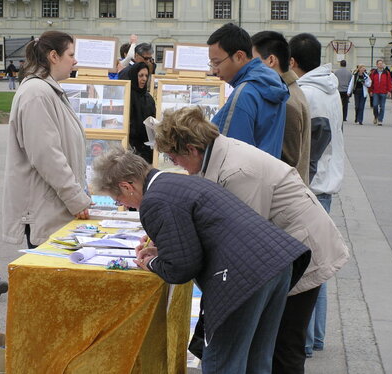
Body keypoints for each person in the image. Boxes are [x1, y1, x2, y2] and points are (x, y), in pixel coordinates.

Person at [155, 105, 349, 366]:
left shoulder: (238, 172)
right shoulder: (215, 153)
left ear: (191, 149)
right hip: (285, 248)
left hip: (301, 249)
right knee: (271, 345)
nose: (174, 164)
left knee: (285, 344)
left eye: (172, 157)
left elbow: (242, 240)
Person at [92, 147, 311, 374]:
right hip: (276, 261)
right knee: (258, 361)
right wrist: (163, 251)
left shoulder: (154, 201)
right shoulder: (175, 183)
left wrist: (150, 263)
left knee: (222, 363)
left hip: (243, 277)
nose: (125, 205)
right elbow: (196, 238)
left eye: (119, 198)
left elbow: (181, 268)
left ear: (127, 187)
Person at [3, 31, 92, 249]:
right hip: (44, 213)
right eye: (70, 54)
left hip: (54, 209)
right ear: (54, 56)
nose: (75, 60)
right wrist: (76, 198)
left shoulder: (47, 90)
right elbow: (47, 156)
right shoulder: (37, 93)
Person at [289, 32, 345, 372]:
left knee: (309, 268)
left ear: (292, 62)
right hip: (328, 183)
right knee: (319, 264)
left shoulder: (307, 93)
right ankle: (317, 336)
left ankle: (307, 340)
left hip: (314, 185)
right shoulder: (329, 88)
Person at [207, 23, 289, 158]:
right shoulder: (271, 81)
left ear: (239, 56)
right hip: (268, 173)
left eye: (216, 62)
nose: (214, 70)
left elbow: (228, 154)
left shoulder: (245, 93)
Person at [251, 30, 311, 184]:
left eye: (253, 61)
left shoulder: (286, 101)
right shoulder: (288, 91)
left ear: (271, 60)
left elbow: (286, 162)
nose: (249, 67)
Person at [128, 62, 156, 163]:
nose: (144, 79)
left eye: (146, 75)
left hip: (147, 149)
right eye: (140, 75)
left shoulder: (148, 98)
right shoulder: (127, 95)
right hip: (131, 148)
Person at [369, 59, 392, 126]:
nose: (380, 65)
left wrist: (389, 91)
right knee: (375, 105)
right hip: (375, 91)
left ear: (383, 64)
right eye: (379, 64)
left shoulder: (386, 73)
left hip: (383, 91)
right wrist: (370, 90)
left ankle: (380, 120)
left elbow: (389, 82)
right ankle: (376, 116)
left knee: (382, 106)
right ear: (377, 65)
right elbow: (371, 82)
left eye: (381, 63)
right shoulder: (374, 73)